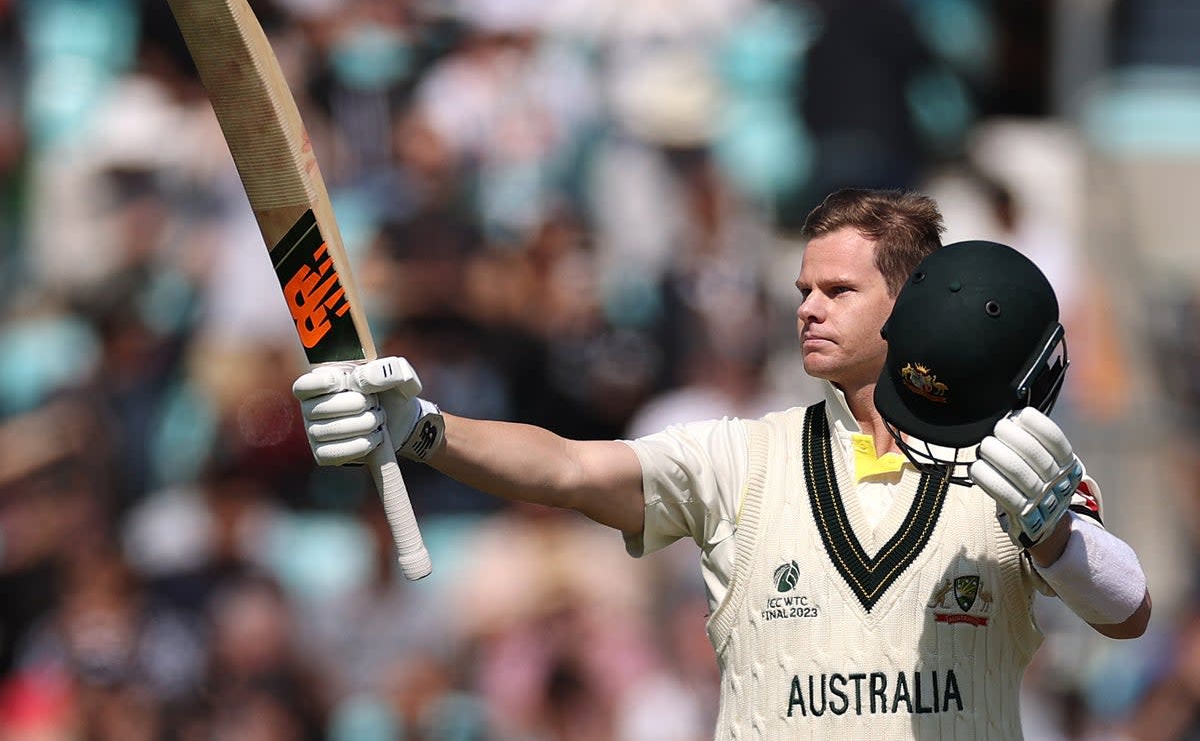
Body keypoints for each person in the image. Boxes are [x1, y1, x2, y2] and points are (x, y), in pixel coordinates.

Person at [293, 187, 1150, 739]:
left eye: (838, 292)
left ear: (914, 302)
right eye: (802, 291)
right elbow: (568, 470)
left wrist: (1048, 535)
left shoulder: (1014, 465)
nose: (808, 310)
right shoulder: (741, 454)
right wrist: (423, 429)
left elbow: (1128, 611)